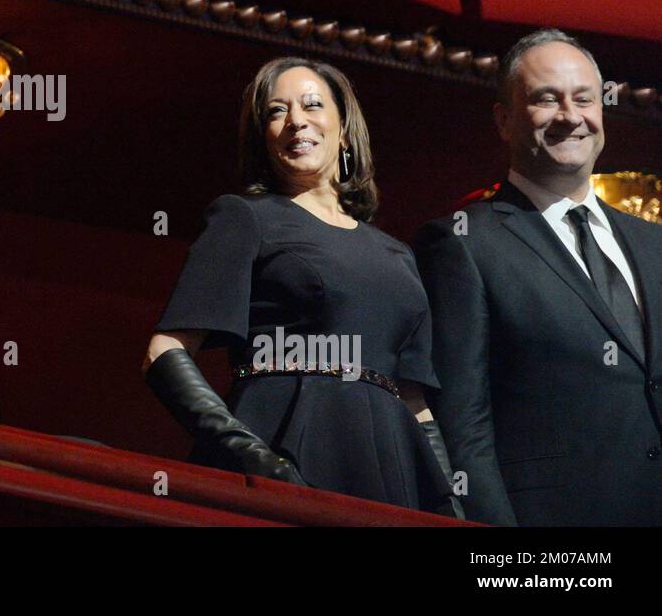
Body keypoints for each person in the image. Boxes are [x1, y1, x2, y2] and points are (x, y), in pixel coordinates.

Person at [144, 57, 458, 516]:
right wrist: (251, 455)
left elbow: (415, 400)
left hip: (389, 465)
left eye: (312, 104)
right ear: (264, 138)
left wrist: (447, 502)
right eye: (275, 111)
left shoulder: (397, 253)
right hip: (285, 448)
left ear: (345, 128)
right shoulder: (245, 217)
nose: (295, 120)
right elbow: (164, 350)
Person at [414, 29, 662, 526]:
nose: (571, 116)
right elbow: (463, 426)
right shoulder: (463, 243)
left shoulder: (654, 243)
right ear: (504, 120)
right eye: (547, 99)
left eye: (584, 99)